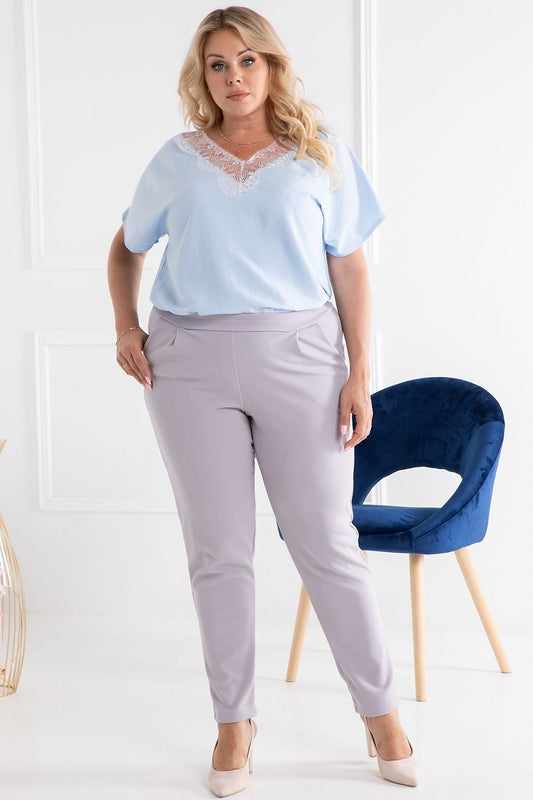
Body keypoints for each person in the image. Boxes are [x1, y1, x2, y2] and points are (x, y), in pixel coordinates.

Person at [107, 6, 420, 796]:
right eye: (217, 63)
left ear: (273, 67)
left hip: (302, 358)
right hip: (187, 365)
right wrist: (124, 326)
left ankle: (380, 714)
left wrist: (359, 372)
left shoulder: (320, 154)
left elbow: (350, 268)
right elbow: (126, 245)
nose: (234, 76)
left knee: (326, 541)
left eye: (248, 60)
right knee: (218, 551)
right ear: (202, 76)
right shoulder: (177, 160)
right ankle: (233, 724)